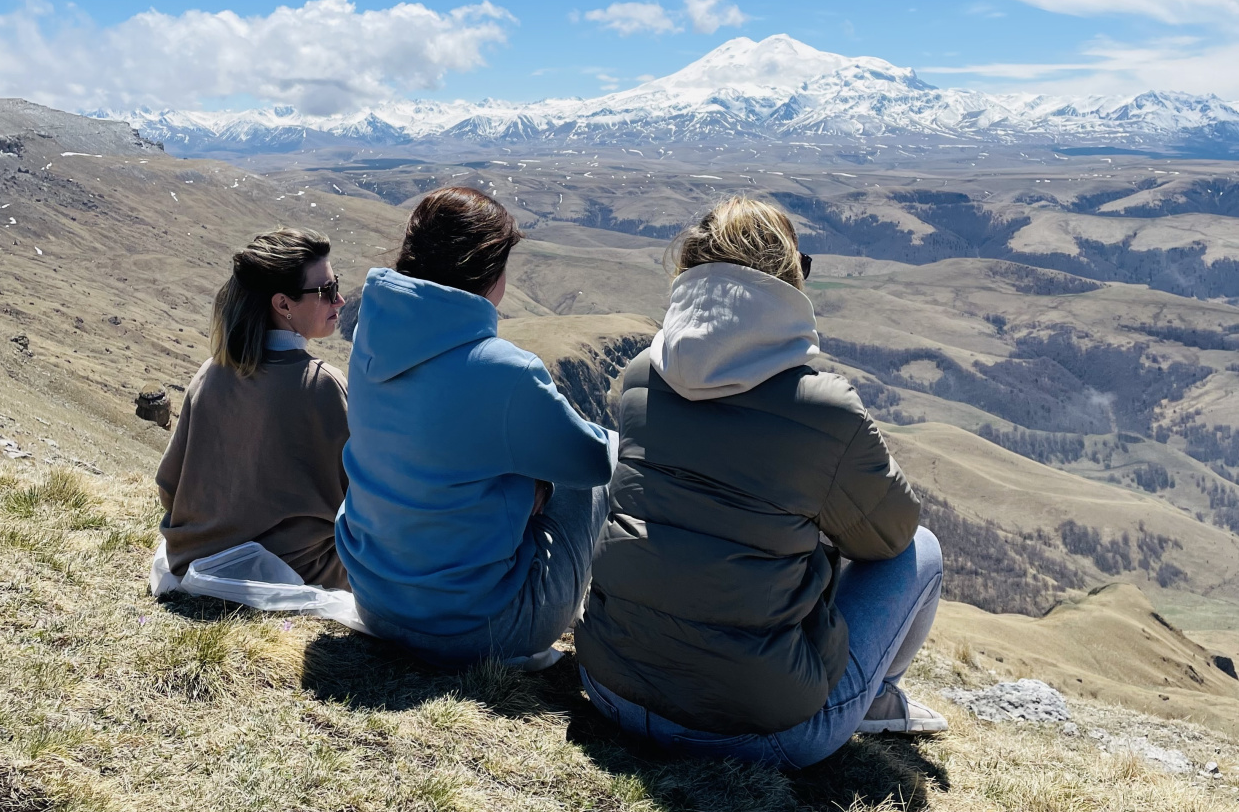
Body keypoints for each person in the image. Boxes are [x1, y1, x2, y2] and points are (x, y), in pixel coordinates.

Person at [575, 195, 946, 768]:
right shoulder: (826, 409)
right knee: (922, 550)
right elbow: (891, 537)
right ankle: (876, 698)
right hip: (760, 736)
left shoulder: (641, 375)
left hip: (611, 691)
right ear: (788, 285)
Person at [337, 186, 616, 665]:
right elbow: (592, 464)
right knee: (593, 464)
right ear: (491, 270)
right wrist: (542, 482)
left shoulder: (371, 338)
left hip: (376, 602)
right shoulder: (505, 371)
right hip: (481, 628)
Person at [157, 228, 351, 589]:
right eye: (326, 291)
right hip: (298, 572)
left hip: (196, 562)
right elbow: (361, 499)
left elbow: (170, 486)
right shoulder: (322, 383)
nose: (339, 300)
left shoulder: (210, 372)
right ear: (282, 304)